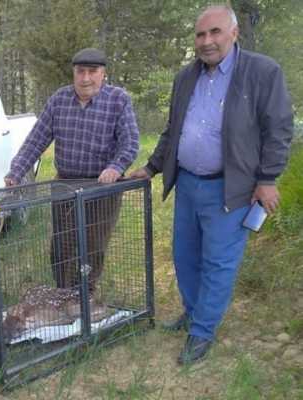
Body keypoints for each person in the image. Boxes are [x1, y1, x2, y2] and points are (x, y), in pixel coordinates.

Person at [129, 5, 293, 365]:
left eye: (215, 32)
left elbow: (279, 129)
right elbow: (174, 130)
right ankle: (193, 311)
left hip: (230, 187)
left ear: (234, 33)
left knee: (218, 262)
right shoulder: (185, 77)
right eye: (201, 35)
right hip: (188, 184)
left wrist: (267, 179)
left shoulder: (262, 72)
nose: (207, 41)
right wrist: (153, 166)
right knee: (185, 256)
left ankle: (202, 332)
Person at [5, 48, 140, 307]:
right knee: (62, 245)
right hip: (65, 183)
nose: (86, 78)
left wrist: (116, 167)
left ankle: (86, 297)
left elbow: (131, 142)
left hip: (102, 186)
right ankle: (63, 295)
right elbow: (36, 140)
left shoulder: (118, 100)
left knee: (93, 244)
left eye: (92, 72)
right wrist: (16, 172)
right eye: (80, 71)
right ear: (73, 73)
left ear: (103, 75)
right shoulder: (59, 100)